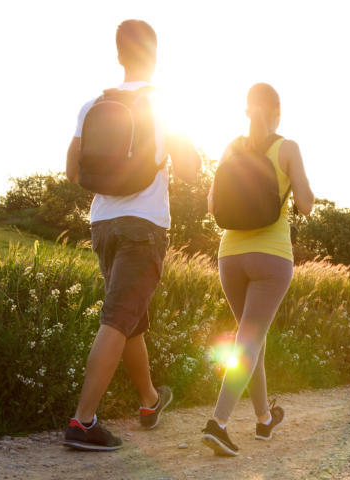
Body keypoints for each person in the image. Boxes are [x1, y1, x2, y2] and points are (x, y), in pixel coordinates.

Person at [63, 19, 201, 451]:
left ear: (120, 56)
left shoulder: (92, 105)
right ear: (155, 58)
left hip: (102, 222)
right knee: (118, 320)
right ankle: (83, 422)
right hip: (144, 225)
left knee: (130, 322)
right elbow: (192, 172)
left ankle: (149, 400)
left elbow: (73, 171)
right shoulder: (163, 107)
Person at [202, 83, 315, 456]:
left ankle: (265, 419)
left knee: (253, 341)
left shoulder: (232, 147)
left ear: (248, 110)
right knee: (248, 341)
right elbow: (307, 205)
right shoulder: (288, 148)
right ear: (277, 113)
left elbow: (212, 203)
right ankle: (217, 423)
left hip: (229, 256)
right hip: (271, 257)